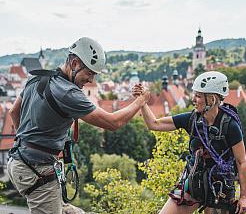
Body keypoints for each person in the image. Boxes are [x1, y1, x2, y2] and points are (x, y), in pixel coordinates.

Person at [7, 37, 150, 214]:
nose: (90, 80)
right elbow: (113, 123)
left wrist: (28, 143)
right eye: (89, 73)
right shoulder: (68, 93)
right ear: (74, 63)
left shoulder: (37, 78)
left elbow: (13, 112)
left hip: (18, 161)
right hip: (36, 168)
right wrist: (141, 101)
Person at [133, 71, 246, 214]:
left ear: (212, 99)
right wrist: (142, 102)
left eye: (198, 96)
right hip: (194, 183)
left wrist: (244, 197)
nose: (193, 99)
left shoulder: (230, 126)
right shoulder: (191, 119)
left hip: (220, 189)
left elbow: (241, 162)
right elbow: (154, 124)